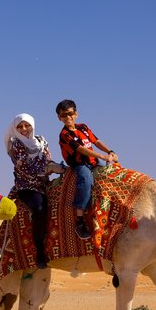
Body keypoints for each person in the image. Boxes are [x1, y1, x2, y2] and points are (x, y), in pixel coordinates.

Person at [4, 113, 64, 268]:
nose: (24, 129)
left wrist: (59, 167)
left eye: (27, 125)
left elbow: (48, 159)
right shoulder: (16, 144)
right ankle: (40, 252)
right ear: (15, 129)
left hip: (45, 183)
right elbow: (24, 168)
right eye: (20, 126)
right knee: (39, 208)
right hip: (27, 186)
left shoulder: (41, 141)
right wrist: (49, 168)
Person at [55, 99, 118, 239]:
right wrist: (103, 156)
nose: (68, 117)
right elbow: (82, 150)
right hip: (80, 165)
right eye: (64, 115)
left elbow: (96, 141)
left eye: (70, 113)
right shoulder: (65, 135)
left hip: (94, 162)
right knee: (86, 179)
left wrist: (110, 151)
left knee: (112, 176)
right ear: (59, 118)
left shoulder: (83, 127)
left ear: (75, 114)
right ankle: (80, 220)